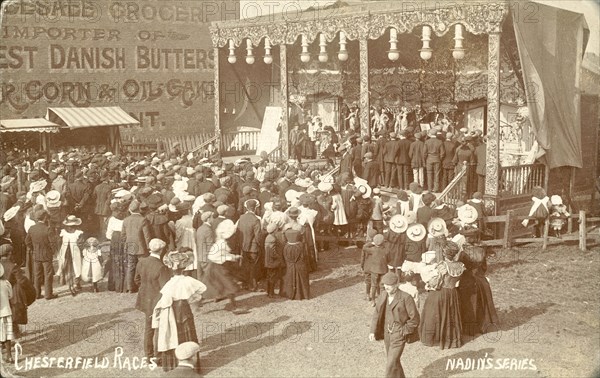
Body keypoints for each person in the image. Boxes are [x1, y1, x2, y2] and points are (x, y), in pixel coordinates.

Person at [153, 249, 206, 372]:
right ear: (184, 267)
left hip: (171, 311)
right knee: (187, 333)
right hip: (184, 309)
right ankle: (190, 363)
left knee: (172, 334)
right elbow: (202, 289)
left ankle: (173, 365)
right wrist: (192, 298)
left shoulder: (169, 283)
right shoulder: (188, 281)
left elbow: (164, 299)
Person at [368, 272, 420, 378]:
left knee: (390, 365)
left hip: (399, 335)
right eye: (385, 284)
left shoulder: (406, 298)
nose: (386, 287)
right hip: (387, 334)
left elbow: (415, 319)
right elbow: (377, 313)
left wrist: (403, 331)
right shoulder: (383, 295)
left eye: (390, 284)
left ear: (397, 284)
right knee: (393, 362)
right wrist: (372, 331)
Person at [420, 241, 465, 349]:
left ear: (444, 253)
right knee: (450, 315)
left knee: (431, 312)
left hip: (441, 292)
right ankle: (451, 339)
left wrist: (429, 284)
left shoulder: (443, 265)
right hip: (453, 292)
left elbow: (438, 282)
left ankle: (432, 338)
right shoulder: (460, 265)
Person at [135, 238, 172, 361]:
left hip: (145, 299)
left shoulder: (142, 262)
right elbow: (165, 287)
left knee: (148, 328)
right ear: (161, 250)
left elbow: (136, 279)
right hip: (157, 301)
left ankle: (148, 355)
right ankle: (158, 355)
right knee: (160, 328)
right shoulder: (161, 267)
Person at [457, 242, 498, 336]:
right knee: (482, 304)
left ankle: (470, 329)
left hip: (468, 280)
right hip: (481, 280)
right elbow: (484, 268)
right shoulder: (481, 251)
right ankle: (484, 325)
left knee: (469, 305)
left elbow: (460, 267)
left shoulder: (464, 254)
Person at [25, 208, 58, 300]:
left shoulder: (32, 229)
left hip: (36, 254)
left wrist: (33, 249)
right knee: (48, 275)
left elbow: (27, 241)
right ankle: (48, 294)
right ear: (45, 217)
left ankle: (37, 294)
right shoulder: (48, 229)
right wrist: (52, 252)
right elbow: (52, 243)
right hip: (46, 255)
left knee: (37, 275)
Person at [57, 215, 85, 295]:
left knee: (67, 268)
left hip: (65, 252)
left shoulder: (63, 232)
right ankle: (76, 284)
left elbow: (59, 242)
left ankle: (71, 284)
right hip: (74, 252)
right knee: (76, 267)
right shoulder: (78, 233)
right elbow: (81, 243)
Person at [282, 229, 310, 300]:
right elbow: (304, 257)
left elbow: (284, 257)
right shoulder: (301, 246)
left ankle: (289, 293)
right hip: (300, 266)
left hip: (289, 267)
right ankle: (302, 294)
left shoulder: (286, 246)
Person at [361, 234, 388, 306]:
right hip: (383, 270)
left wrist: (372, 243)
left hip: (374, 270)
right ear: (383, 242)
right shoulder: (385, 250)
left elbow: (364, 247)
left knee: (374, 285)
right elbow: (389, 259)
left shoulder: (372, 250)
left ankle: (373, 300)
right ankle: (382, 300)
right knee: (382, 286)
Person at [264, 223, 284, 298]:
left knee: (269, 276)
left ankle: (269, 292)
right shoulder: (272, 238)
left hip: (268, 260)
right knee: (272, 276)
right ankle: (271, 293)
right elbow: (272, 251)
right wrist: (278, 257)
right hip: (272, 261)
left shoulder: (268, 237)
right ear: (274, 230)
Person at [0, 264, 14, 363]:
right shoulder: (6, 283)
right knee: (8, 335)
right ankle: (9, 356)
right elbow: (10, 295)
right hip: (6, 312)